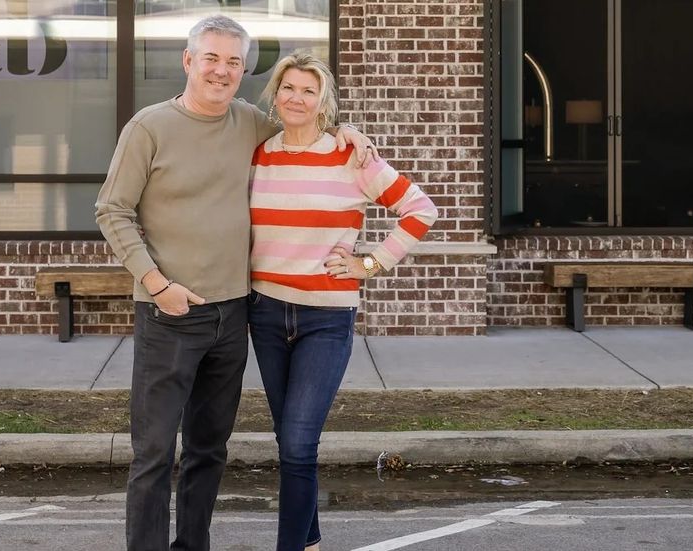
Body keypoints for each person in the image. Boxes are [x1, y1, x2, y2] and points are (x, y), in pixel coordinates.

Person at [95, 16, 375, 551]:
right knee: (153, 453)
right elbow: (112, 210)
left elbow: (304, 123)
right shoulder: (148, 127)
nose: (222, 71)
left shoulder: (249, 122)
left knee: (208, 450)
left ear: (243, 69)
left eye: (233, 62)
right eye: (211, 58)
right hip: (169, 312)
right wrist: (156, 284)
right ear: (188, 62)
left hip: (234, 314)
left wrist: (346, 133)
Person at [247, 53, 439, 551]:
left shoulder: (353, 158)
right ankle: (308, 540)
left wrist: (370, 264)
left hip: (326, 318)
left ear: (322, 101)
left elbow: (421, 209)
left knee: (298, 442)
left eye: (308, 91)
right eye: (288, 88)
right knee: (289, 440)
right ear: (275, 94)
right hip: (265, 312)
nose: (296, 98)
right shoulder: (258, 156)